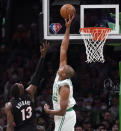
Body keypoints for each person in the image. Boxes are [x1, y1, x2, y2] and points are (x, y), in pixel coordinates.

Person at [4, 42, 49, 131]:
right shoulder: (27, 95)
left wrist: (42, 57)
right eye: (19, 84)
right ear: (19, 91)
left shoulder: (11, 104)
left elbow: (36, 76)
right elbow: (9, 125)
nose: (20, 83)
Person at [44, 14, 76, 131]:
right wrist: (67, 28)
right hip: (63, 116)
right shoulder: (62, 73)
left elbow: (62, 111)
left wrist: (49, 111)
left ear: (64, 74)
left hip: (65, 116)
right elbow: (63, 48)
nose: (60, 67)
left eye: (62, 69)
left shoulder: (65, 88)